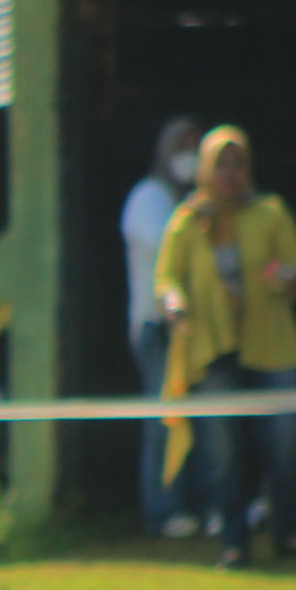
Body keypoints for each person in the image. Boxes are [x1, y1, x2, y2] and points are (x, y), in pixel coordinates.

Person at [156, 125, 296, 569]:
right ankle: (233, 541)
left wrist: (285, 277)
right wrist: (174, 303)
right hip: (214, 349)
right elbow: (167, 277)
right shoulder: (188, 220)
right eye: (221, 165)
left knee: (285, 444)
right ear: (207, 170)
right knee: (223, 454)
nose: (229, 174)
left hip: (273, 346)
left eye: (237, 164)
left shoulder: (270, 212)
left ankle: (289, 532)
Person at [123, 114, 208, 536]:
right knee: (163, 420)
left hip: (196, 328)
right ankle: (163, 510)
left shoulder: (194, 203)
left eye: (196, 148)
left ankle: (199, 505)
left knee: (201, 419)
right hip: (157, 326)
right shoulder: (148, 197)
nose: (189, 158)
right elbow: (167, 252)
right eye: (182, 148)